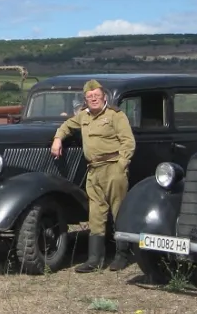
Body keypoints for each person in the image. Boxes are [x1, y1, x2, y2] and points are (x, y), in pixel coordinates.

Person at [51, 79, 136, 273]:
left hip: (113, 166)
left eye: (96, 96)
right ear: (85, 99)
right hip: (93, 170)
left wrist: (121, 165)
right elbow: (67, 125)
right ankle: (94, 259)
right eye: (90, 97)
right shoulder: (83, 116)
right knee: (95, 214)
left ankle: (122, 255)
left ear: (104, 97)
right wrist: (57, 138)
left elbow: (128, 142)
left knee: (118, 210)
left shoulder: (115, 116)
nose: (93, 99)